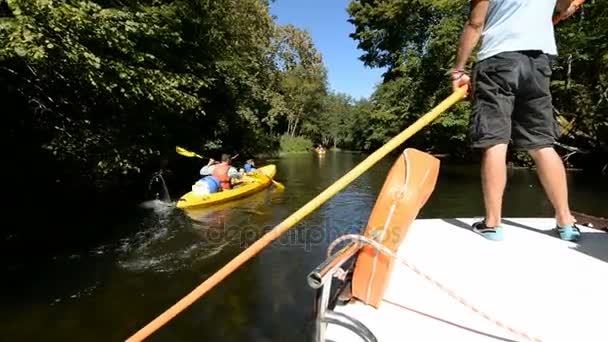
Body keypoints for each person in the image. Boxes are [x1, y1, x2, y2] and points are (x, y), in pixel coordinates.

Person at [451, 0, 582, 241]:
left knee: (495, 141)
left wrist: (459, 70)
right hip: (537, 64)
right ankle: (565, 221)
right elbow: (563, 8)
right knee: (542, 144)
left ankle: (492, 223)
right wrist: (567, 9)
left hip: (496, 62)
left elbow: (475, 23)